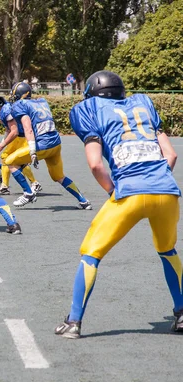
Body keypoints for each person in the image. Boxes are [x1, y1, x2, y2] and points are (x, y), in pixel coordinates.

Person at [55, 70, 183, 339]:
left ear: (91, 93)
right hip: (166, 191)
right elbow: (170, 155)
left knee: (91, 253)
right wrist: (155, 182)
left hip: (128, 193)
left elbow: (95, 163)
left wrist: (113, 190)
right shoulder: (143, 103)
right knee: (168, 251)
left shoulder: (88, 109)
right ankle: (182, 314)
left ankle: (74, 322)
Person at [6, 82, 92, 209]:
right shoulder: (41, 102)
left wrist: (32, 150)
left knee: (10, 162)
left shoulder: (20, 105)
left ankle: (28, 193)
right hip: (55, 144)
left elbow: (28, 129)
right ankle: (83, 200)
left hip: (43, 145)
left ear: (18, 94)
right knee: (58, 176)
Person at [0, 92, 42, 195]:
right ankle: (4, 186)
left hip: (22, 136)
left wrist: (2, 145)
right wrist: (3, 142)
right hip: (18, 136)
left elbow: (14, 131)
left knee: (17, 161)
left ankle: (34, 183)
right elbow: (8, 129)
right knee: (5, 156)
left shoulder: (6, 110)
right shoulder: (1, 112)